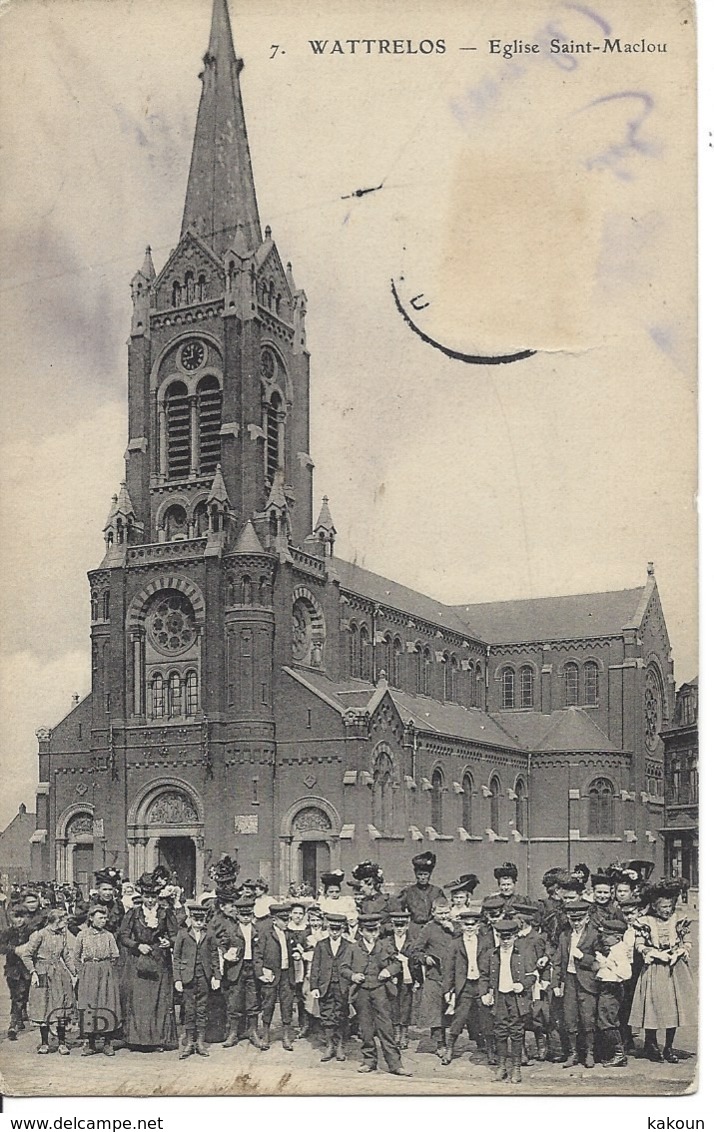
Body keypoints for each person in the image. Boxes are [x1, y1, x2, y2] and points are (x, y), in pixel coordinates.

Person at [628, 878, 695, 1063]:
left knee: (673, 1007)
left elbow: (687, 941)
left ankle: (668, 1047)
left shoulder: (678, 920)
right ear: (655, 907)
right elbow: (639, 944)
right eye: (663, 906)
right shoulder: (645, 921)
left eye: (669, 906)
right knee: (653, 1006)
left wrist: (681, 951)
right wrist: (654, 954)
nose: (666, 910)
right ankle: (651, 1044)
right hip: (655, 968)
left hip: (674, 969)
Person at [339, 912, 411, 1076]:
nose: (372, 934)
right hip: (362, 992)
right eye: (369, 931)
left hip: (381, 991)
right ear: (362, 931)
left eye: (375, 931)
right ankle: (369, 1061)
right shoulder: (353, 947)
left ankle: (395, 1064)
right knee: (366, 1028)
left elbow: (397, 964)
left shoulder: (385, 945)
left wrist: (388, 970)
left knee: (386, 1027)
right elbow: (343, 968)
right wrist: (353, 976)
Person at [118, 871, 178, 1050]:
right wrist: (137, 945)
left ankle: (159, 1039)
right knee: (139, 1000)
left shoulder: (165, 913)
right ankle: (137, 1040)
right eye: (147, 897)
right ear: (141, 896)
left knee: (159, 1000)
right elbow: (123, 936)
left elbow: (176, 934)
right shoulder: (133, 914)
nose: (150, 901)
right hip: (138, 961)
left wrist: (169, 942)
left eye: (153, 897)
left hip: (160, 961)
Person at [480, 917, 537, 1084]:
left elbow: (532, 975)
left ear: (515, 937)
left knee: (517, 1033)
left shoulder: (524, 953)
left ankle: (516, 1068)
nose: (505, 941)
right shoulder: (491, 954)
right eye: (502, 937)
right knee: (500, 1032)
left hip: (516, 998)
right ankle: (502, 1066)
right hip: (499, 997)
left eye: (509, 937)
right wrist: (485, 993)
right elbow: (484, 976)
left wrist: (523, 985)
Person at [207, 890, 265, 1050]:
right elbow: (221, 945)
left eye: (249, 914)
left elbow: (262, 950)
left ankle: (252, 1031)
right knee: (235, 1001)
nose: (246, 918)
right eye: (242, 915)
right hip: (236, 969)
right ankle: (233, 1033)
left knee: (253, 1002)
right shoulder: (231, 930)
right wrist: (226, 955)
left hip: (252, 969)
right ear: (237, 915)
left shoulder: (257, 930)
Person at [16, 908, 77, 1055]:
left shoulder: (62, 936)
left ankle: (62, 1043)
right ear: (56, 921)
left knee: (61, 1006)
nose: (65, 924)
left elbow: (66, 956)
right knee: (43, 1006)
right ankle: (44, 1043)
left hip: (58, 973)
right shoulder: (39, 935)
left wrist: (74, 972)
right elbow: (27, 955)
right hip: (42, 972)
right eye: (63, 921)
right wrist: (33, 972)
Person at [552, 897, 600, 1068]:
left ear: (587, 918)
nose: (577, 923)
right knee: (570, 1018)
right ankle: (573, 1054)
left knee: (588, 1018)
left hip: (587, 982)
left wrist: (582, 957)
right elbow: (557, 961)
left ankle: (589, 1053)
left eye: (580, 919)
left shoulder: (594, 935)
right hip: (570, 980)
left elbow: (598, 962)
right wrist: (555, 984)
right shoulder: (565, 935)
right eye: (573, 920)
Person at [73, 904, 122, 1057]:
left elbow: (115, 955)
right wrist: (83, 972)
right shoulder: (82, 935)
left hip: (105, 971)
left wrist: (107, 970)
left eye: (105, 918)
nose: (103, 921)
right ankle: (91, 1043)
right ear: (91, 918)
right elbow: (76, 956)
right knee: (90, 1005)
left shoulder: (108, 936)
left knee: (107, 1004)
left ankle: (107, 1043)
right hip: (89, 970)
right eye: (100, 918)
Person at [413, 896, 457, 1057]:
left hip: (454, 976)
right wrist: (425, 958)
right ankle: (440, 1044)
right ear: (433, 913)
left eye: (446, 912)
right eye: (440, 913)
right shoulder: (428, 929)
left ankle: (459, 1042)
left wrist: (453, 929)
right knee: (436, 1012)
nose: (444, 916)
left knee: (455, 1010)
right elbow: (416, 950)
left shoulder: (456, 926)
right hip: (435, 976)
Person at [441, 907, 484, 1065]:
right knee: (460, 1017)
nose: (470, 927)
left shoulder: (484, 942)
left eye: (473, 924)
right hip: (464, 985)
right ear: (461, 926)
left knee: (485, 1017)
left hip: (480, 984)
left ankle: (488, 1049)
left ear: (478, 925)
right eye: (467, 925)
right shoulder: (455, 944)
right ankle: (450, 1048)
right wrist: (447, 990)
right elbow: (448, 969)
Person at [309, 912, 352, 1061]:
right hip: (325, 986)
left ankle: (339, 1046)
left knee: (341, 1015)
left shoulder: (349, 946)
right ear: (327, 928)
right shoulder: (321, 945)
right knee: (326, 1015)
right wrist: (314, 986)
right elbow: (315, 967)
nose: (334, 932)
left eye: (337, 929)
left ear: (342, 929)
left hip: (342, 986)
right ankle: (329, 1046)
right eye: (332, 929)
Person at [255, 902, 298, 1050]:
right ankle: (266, 1034)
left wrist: (297, 953)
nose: (286, 923)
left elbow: (295, 949)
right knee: (268, 1004)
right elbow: (258, 955)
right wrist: (261, 973)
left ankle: (286, 1036)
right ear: (274, 920)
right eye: (283, 920)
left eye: (288, 919)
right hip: (271, 974)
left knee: (287, 1004)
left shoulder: (290, 934)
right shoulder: (266, 935)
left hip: (287, 974)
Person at [173, 900, 212, 1059]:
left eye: (201, 919)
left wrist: (216, 975)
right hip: (187, 976)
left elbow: (214, 955)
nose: (199, 922)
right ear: (190, 918)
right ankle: (189, 1042)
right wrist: (177, 979)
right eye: (196, 919)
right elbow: (176, 957)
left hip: (204, 976)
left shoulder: (209, 935)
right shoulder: (182, 934)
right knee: (189, 1010)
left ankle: (200, 1042)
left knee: (202, 1009)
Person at [383, 897, 421, 1050]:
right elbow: (383, 959)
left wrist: (417, 979)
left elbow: (416, 961)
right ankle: (396, 1033)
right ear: (392, 925)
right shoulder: (387, 941)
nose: (399, 929)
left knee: (406, 1004)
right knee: (392, 1004)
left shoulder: (412, 942)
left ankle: (404, 1034)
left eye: (402, 925)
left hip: (407, 978)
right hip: (392, 978)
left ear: (407, 926)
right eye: (396, 926)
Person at [594, 917, 631, 1067]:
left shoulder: (620, 951)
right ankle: (613, 1053)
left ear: (617, 937)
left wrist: (606, 963)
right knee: (605, 1020)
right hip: (606, 987)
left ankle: (619, 1054)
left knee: (607, 1021)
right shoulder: (614, 948)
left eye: (606, 936)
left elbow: (625, 973)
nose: (603, 939)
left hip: (612, 988)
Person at [398, 853, 446, 926]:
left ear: (429, 875)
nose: (423, 877)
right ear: (416, 875)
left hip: (433, 926)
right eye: (420, 874)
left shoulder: (437, 891)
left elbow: (444, 909)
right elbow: (398, 909)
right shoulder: (408, 892)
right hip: (414, 927)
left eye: (425, 874)